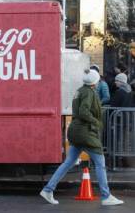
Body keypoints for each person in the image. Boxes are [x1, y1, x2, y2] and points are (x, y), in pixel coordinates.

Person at [40, 69, 124, 206]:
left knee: (68, 163)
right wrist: (96, 122)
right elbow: (84, 111)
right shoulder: (89, 93)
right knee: (100, 164)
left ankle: (48, 189)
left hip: (75, 131)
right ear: (95, 82)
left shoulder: (80, 91)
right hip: (85, 133)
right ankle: (106, 196)